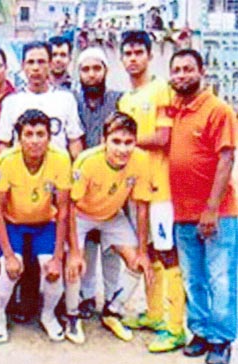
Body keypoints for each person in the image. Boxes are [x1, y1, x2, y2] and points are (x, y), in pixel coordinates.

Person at [116, 30, 186, 353]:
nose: (133, 58)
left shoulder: (162, 90)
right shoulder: (125, 100)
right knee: (151, 251)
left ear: (149, 55)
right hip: (137, 189)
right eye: (127, 53)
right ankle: (155, 314)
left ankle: (175, 327)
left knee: (168, 251)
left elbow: (163, 138)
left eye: (138, 53)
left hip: (162, 187)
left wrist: (123, 141)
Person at [168, 49, 237, 364]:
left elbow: (226, 159)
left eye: (187, 69)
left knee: (220, 278)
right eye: (177, 70)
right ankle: (199, 331)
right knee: (192, 277)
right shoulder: (177, 110)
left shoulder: (218, 110)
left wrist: (210, 209)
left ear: (201, 72)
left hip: (217, 213)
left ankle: (221, 340)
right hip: (182, 212)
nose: (181, 75)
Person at [67, 111, 153, 343]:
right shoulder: (87, 160)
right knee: (74, 263)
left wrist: (144, 251)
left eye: (128, 142)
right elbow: (70, 207)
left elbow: (142, 206)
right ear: (104, 141)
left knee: (138, 262)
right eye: (116, 141)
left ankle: (113, 310)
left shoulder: (141, 160)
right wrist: (75, 251)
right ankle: (72, 315)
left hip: (112, 216)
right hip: (82, 215)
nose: (122, 149)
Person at [0, 109, 70, 343]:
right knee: (10, 269)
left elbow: (63, 209)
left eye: (40, 134)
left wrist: (57, 257)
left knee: (52, 271)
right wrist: (8, 254)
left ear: (49, 137)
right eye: (29, 134)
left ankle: (48, 315)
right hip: (13, 223)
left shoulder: (61, 158)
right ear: (19, 137)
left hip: (45, 223)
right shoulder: (6, 160)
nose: (35, 141)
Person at [72, 47, 123, 320]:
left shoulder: (119, 100)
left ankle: (113, 301)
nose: (91, 75)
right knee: (87, 245)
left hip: (114, 183)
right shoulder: (73, 100)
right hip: (83, 183)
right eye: (85, 69)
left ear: (105, 71)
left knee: (111, 246)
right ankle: (86, 297)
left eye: (96, 69)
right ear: (79, 73)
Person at [0, 41, 84, 158]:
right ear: (23, 66)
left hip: (57, 171)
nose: (35, 68)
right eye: (30, 62)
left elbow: (74, 141)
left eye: (41, 62)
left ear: (50, 64)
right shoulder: (11, 102)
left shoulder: (66, 99)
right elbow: (3, 143)